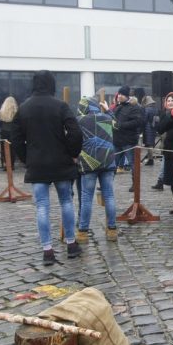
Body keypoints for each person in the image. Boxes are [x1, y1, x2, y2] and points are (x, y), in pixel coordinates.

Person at [10, 70, 83, 266]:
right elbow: (75, 131)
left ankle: (47, 250)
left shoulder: (24, 108)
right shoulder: (60, 106)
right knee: (66, 202)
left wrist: (27, 158)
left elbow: (15, 137)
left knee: (42, 206)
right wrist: (72, 152)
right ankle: (71, 243)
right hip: (61, 161)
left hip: (37, 163)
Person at [75, 97, 118, 244]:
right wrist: (108, 109)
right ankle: (112, 229)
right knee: (109, 196)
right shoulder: (106, 117)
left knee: (87, 198)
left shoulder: (79, 120)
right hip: (108, 161)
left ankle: (82, 232)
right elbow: (117, 126)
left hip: (88, 162)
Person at [112, 86, 143, 173]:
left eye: (122, 94)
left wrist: (121, 125)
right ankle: (107, 186)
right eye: (119, 94)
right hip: (117, 141)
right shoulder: (118, 107)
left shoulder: (134, 107)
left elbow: (138, 122)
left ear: (127, 96)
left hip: (129, 141)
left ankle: (135, 185)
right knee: (112, 165)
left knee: (133, 164)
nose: (119, 96)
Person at [0, 96, 19, 171]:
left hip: (4, 131)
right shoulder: (16, 111)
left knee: (4, 148)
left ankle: (6, 165)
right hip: (13, 131)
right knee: (12, 149)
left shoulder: (2, 111)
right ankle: (12, 165)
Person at [142, 95, 159, 166]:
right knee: (151, 144)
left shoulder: (147, 109)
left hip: (147, 128)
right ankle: (150, 159)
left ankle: (150, 159)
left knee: (149, 145)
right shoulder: (155, 109)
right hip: (153, 128)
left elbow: (144, 120)